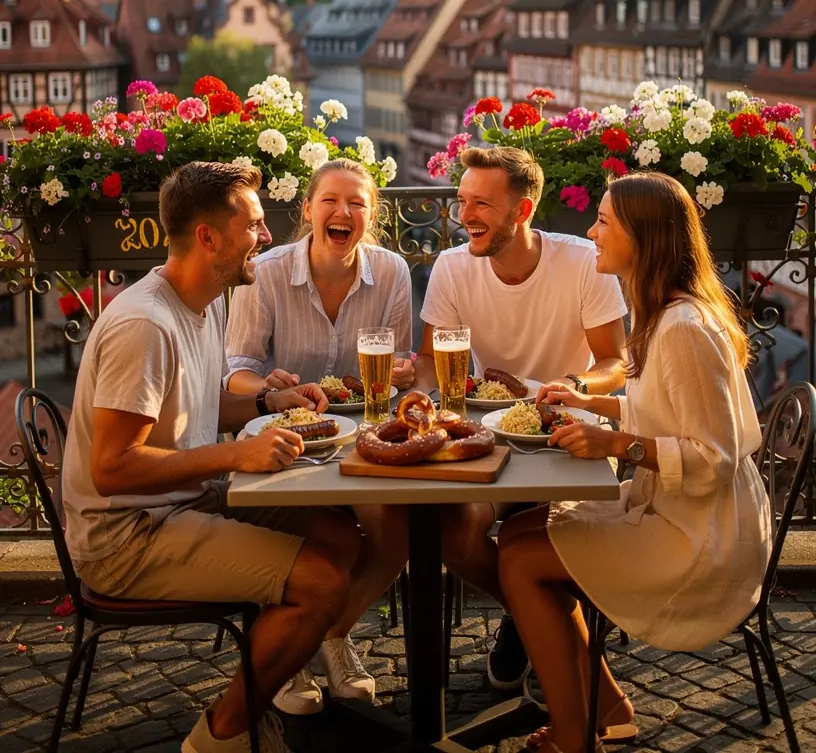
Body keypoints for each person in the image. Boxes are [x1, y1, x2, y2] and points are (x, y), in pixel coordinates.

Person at [62, 161, 361, 753]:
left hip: (184, 502)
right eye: (252, 224)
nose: (268, 236)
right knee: (323, 581)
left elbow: (197, 402)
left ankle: (276, 667)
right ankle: (222, 734)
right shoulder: (144, 325)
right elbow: (113, 468)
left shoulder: (207, 300)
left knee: (345, 535)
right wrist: (237, 453)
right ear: (208, 237)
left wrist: (269, 400)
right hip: (127, 533)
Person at [498, 171, 773, 753]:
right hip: (682, 512)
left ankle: (574, 735)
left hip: (702, 539)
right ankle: (607, 707)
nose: (592, 232)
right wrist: (588, 401)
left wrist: (612, 444)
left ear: (642, 240)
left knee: (521, 560)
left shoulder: (682, 330)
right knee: (521, 533)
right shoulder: (664, 313)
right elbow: (664, 409)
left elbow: (713, 458)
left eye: (604, 222)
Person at [416, 145, 627, 689]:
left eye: (482, 204)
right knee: (454, 533)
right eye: (462, 201)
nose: (465, 215)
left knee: (559, 539)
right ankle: (530, 617)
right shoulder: (451, 267)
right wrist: (420, 396)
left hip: (569, 437)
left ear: (523, 211)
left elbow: (616, 362)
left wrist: (573, 387)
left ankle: (543, 635)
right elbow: (431, 364)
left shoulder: (582, 261)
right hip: (493, 436)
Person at [225, 158, 413, 715]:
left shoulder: (393, 272)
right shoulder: (268, 270)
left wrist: (403, 373)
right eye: (330, 200)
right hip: (285, 439)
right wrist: (267, 385)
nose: (343, 211)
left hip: (362, 440)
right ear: (307, 210)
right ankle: (286, 649)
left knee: (394, 525)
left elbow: (401, 369)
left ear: (371, 217)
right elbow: (235, 367)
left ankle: (329, 636)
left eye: (357, 203)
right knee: (298, 532)